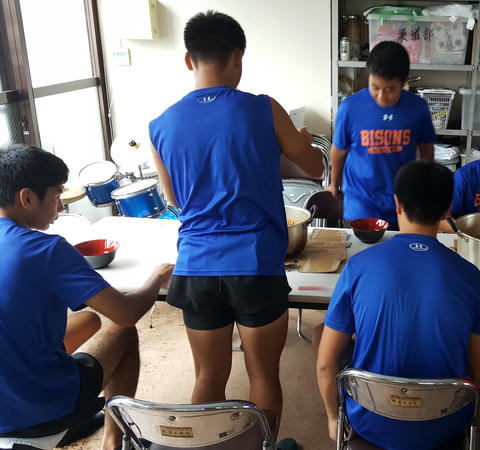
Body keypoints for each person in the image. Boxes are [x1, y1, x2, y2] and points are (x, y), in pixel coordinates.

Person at [148, 10, 322, 446]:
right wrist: (298, 140)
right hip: (255, 264)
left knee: (207, 378)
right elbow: (314, 167)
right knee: (263, 375)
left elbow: (174, 199)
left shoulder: (160, 125)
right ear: (238, 57)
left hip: (196, 266)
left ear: (189, 60)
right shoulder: (263, 108)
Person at [0, 145, 172, 450]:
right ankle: (113, 441)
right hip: (38, 413)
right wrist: (157, 279)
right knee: (123, 332)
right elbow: (126, 313)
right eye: (57, 195)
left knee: (88, 320)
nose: (59, 208)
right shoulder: (46, 249)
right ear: (27, 198)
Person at [316, 161, 480, 448]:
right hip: (445, 423)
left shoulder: (358, 266)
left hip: (370, 419)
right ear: (448, 210)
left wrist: (331, 418)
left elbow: (326, 364)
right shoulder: (470, 275)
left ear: (397, 203)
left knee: (321, 336)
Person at [328, 41, 436, 229]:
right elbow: (338, 151)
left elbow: (426, 150)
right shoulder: (350, 108)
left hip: (402, 199)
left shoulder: (417, 108)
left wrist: (425, 184)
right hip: (361, 199)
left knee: (398, 246)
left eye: (389, 89)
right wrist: (334, 184)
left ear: (404, 82)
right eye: (375, 87)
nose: (381, 96)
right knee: (360, 245)